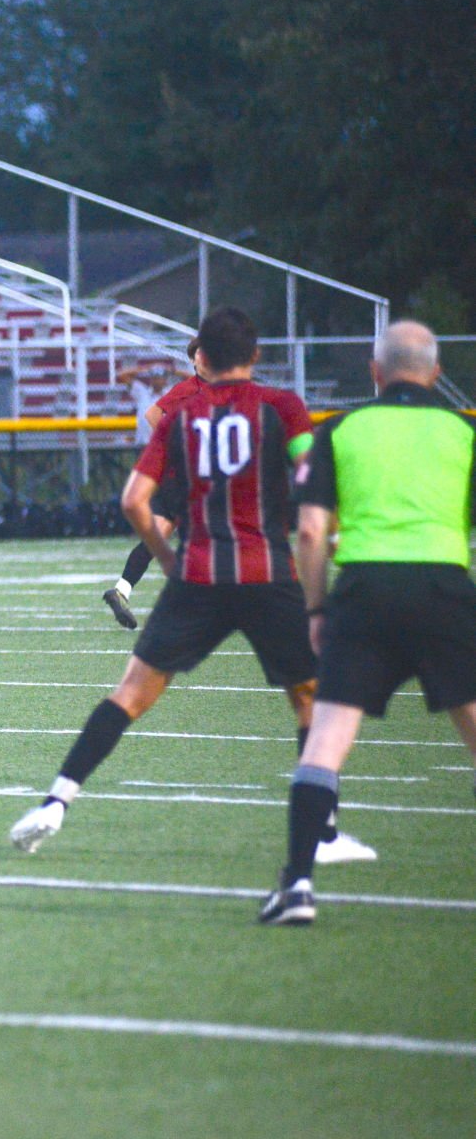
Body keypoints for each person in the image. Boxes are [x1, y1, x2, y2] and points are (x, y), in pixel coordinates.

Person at [7, 307, 371, 863]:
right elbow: (311, 478)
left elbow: (133, 500)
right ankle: (322, 835)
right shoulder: (283, 407)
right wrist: (333, 537)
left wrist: (168, 562)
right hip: (266, 570)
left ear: (202, 355)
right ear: (254, 355)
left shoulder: (182, 414)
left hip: (198, 571)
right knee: (309, 698)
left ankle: (55, 802)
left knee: (130, 695)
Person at [259, 321, 476, 925]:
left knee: (326, 743)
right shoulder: (463, 432)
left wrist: (317, 608)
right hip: (443, 588)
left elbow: (309, 532)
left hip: (364, 592)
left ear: (374, 373)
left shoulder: (343, 431)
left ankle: (297, 886)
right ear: (434, 373)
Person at [103, 344, 208, 629]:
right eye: (199, 356)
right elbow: (152, 416)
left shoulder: (221, 389)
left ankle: (121, 590)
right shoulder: (192, 388)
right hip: (186, 476)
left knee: (158, 535)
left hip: (190, 475)